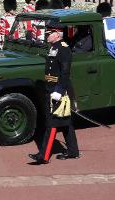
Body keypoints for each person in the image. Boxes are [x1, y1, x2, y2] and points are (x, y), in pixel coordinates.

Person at [29, 24, 79, 164]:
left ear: (57, 34)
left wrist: (59, 91)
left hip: (58, 90)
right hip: (51, 88)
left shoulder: (63, 49)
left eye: (49, 33)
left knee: (52, 123)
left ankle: (44, 156)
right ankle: (73, 151)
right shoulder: (53, 47)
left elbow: (65, 72)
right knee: (65, 122)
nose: (47, 35)